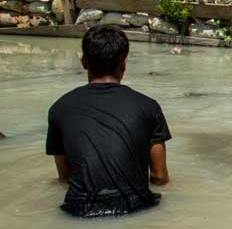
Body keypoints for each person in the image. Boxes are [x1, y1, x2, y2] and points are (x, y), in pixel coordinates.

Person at [46, 25, 171, 217]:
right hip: (136, 209)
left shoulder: (59, 108)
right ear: (124, 64)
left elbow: (65, 177)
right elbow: (159, 176)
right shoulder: (148, 106)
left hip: (79, 211)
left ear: (83, 62)